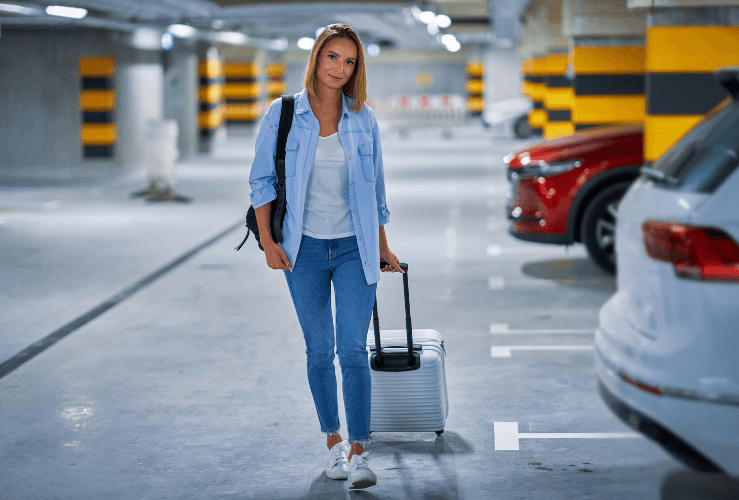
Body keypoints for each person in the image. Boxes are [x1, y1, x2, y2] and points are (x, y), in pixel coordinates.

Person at [248, 24, 402, 489]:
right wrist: (269, 243)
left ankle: (359, 452)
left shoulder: (363, 118)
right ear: (317, 58)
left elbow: (374, 190)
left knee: (354, 350)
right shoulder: (284, 113)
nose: (340, 68)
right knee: (320, 350)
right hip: (304, 249)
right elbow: (261, 181)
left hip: (355, 248)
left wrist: (382, 245)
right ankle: (332, 443)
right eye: (332, 57)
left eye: (349, 61)